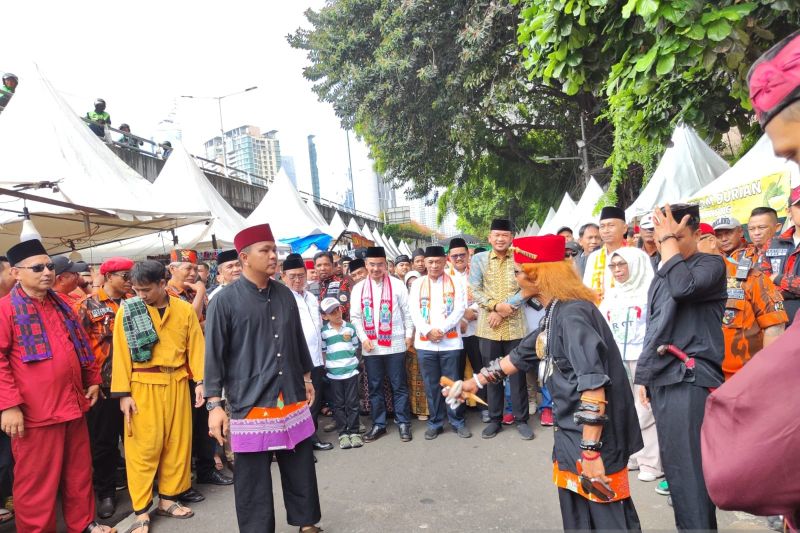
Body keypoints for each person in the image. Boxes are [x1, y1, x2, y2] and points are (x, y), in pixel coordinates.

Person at [445, 234, 643, 531]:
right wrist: (474, 383)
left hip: (596, 437)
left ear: (538, 276)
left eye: (518, 272)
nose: (515, 278)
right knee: (577, 514)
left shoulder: (574, 314)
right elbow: (522, 354)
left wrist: (590, 452)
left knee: (607, 518)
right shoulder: (554, 311)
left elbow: (592, 385)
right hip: (570, 431)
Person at [204, 224, 322, 533]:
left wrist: (307, 378)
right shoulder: (223, 301)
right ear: (244, 257)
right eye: (265, 251)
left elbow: (296, 339)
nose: (274, 256)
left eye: (274, 249)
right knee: (252, 477)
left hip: (291, 393)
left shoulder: (284, 293)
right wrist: (214, 405)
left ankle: (306, 521)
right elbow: (213, 355)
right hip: (250, 399)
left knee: (300, 464)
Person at [0, 239, 113, 533]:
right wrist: (8, 405)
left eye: (49, 265)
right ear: (16, 273)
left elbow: (81, 346)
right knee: (36, 483)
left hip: (73, 404)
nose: (47, 272)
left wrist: (93, 380)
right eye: (38, 267)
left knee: (78, 474)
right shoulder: (5, 309)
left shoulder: (62, 303)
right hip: (35, 414)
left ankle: (83, 524)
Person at [634, 203, 726, 530]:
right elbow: (655, 326)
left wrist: (668, 241)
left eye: (674, 237)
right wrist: (644, 375)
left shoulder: (711, 264)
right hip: (664, 379)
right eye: (659, 239)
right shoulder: (665, 267)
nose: (664, 244)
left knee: (689, 476)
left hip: (691, 380)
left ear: (698, 235)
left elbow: (683, 287)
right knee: (677, 475)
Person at [111, 260, 205, 532]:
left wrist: (200, 381)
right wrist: (123, 394)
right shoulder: (127, 311)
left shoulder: (185, 310)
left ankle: (168, 498)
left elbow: (196, 348)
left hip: (177, 381)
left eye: (146, 289)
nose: (140, 295)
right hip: (142, 384)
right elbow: (120, 354)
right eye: (137, 289)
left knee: (177, 444)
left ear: (162, 284)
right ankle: (141, 509)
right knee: (143, 448)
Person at [74, 257, 134, 519]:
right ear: (108, 277)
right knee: (104, 444)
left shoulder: (136, 301)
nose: (129, 279)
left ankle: (140, 487)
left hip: (135, 383)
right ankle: (106, 492)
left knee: (136, 438)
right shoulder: (86, 306)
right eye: (124, 275)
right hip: (104, 386)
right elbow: (78, 346)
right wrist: (90, 382)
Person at [598, 248, 663, 484]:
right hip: (618, 358)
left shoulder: (650, 292)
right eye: (613, 266)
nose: (617, 270)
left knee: (645, 409)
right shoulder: (613, 294)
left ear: (635, 264)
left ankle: (652, 462)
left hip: (642, 357)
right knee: (625, 407)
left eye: (622, 265)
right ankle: (634, 454)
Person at [469, 218, 532, 440]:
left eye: (504, 235)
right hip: (489, 328)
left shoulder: (521, 259)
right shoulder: (479, 259)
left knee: (517, 374)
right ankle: (495, 419)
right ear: (489, 237)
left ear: (511, 237)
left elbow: (529, 287)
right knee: (491, 374)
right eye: (496, 235)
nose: (500, 239)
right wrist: (495, 306)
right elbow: (474, 289)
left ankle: (521, 419)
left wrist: (504, 309)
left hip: (516, 327)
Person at [707, 217, 789, 380]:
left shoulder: (751, 273)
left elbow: (775, 327)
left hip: (744, 377)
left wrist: (765, 373)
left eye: (728, 233)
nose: (723, 239)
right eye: (718, 235)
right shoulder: (685, 282)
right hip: (702, 379)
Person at [349, 246, 414, 443]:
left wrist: (409, 335)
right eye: (372, 264)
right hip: (372, 347)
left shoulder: (397, 285)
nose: (376, 268)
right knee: (375, 387)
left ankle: (403, 422)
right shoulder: (359, 288)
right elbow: (355, 317)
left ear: (386, 265)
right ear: (366, 265)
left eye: (380, 264)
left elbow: (407, 313)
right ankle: (379, 424)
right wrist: (363, 338)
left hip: (395, 343)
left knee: (399, 385)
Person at [409, 246, 468, 439]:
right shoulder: (417, 284)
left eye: (438, 262)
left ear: (445, 261)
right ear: (424, 263)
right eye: (430, 262)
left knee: (453, 383)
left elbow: (460, 309)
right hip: (425, 344)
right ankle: (435, 422)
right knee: (431, 384)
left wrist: (441, 329)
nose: (434, 266)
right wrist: (428, 331)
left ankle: (457, 421)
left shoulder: (456, 282)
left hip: (450, 343)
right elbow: (414, 312)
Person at [283, 253, 333, 453]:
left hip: (316, 358)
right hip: (296, 361)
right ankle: (300, 444)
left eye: (301, 275)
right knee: (298, 402)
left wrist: (323, 353)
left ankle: (311, 438)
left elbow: (318, 326)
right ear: (283, 276)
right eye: (292, 276)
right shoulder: (283, 298)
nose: (297, 280)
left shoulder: (311, 297)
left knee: (314, 400)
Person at [447, 237, 487, 420]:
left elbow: (487, 296)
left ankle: (484, 406)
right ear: (449, 257)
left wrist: (473, 312)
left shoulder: (477, 273)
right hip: (454, 333)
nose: (458, 259)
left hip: (477, 330)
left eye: (462, 255)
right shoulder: (445, 277)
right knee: (456, 371)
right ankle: (458, 411)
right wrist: (462, 317)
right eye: (454, 256)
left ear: (468, 255)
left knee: (481, 369)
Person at [319, 297, 361, 449]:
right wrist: (328, 367)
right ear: (324, 316)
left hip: (350, 372)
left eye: (338, 309)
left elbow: (355, 347)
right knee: (338, 404)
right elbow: (323, 352)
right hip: (334, 374)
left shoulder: (350, 328)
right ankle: (343, 433)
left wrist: (353, 364)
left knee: (353, 403)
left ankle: (355, 431)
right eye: (332, 312)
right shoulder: (324, 332)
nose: (337, 314)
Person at [584, 207, 649, 303]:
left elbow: (645, 289)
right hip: (597, 313)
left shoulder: (637, 256)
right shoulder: (593, 258)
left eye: (611, 225)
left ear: (624, 229)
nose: (606, 230)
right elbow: (587, 289)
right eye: (602, 226)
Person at [760, 186, 800, 325]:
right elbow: (761, 281)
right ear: (788, 211)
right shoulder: (772, 243)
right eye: (799, 206)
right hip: (776, 319)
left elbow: (771, 278)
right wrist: (791, 291)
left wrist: (777, 278)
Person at [403, 270, 429, 420]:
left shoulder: (428, 297)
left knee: (427, 378)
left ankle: (428, 410)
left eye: (415, 284)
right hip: (410, 344)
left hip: (427, 342)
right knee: (412, 379)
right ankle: (415, 409)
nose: (413, 287)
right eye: (409, 284)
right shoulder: (404, 299)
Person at [166, 249, 207, 323]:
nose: (193, 273)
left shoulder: (195, 290)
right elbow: (191, 322)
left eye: (195, 269)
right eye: (188, 268)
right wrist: (200, 292)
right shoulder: (166, 294)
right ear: (172, 269)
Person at [315, 251, 352, 320]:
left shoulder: (342, 283)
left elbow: (342, 309)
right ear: (315, 268)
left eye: (326, 264)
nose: (322, 268)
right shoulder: (310, 287)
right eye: (319, 265)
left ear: (332, 265)